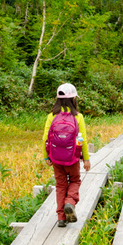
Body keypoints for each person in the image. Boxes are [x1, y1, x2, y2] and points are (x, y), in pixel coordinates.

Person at [42, 82, 91, 227]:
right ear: (74, 99)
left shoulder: (52, 116)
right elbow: (82, 140)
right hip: (72, 159)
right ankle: (70, 202)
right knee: (75, 181)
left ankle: (61, 218)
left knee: (60, 185)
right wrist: (86, 159)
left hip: (56, 159)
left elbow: (45, 138)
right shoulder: (78, 116)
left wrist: (46, 156)